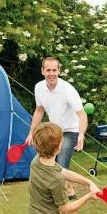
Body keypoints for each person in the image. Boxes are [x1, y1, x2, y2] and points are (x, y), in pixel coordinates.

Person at [25, 57, 88, 199]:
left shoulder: (68, 90)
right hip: (55, 131)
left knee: (61, 165)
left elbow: (82, 115)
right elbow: (39, 110)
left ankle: (61, 196)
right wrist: (31, 132)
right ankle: (69, 189)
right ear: (42, 71)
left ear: (59, 71)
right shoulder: (39, 87)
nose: (51, 73)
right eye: (48, 70)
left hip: (71, 131)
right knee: (49, 163)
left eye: (54, 70)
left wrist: (81, 135)